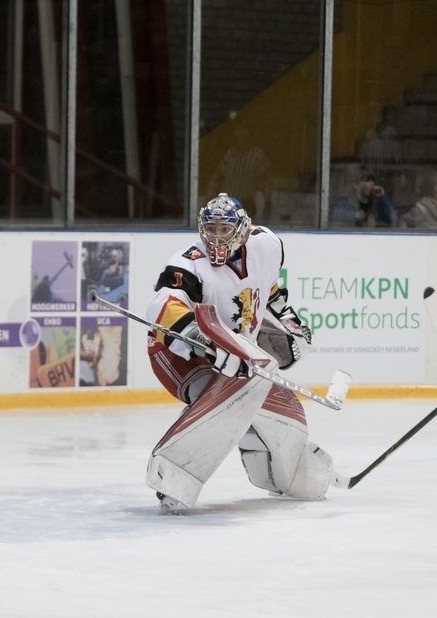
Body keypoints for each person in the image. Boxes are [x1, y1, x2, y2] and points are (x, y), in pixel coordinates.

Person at [144, 192, 331, 512]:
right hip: (177, 352)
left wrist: (289, 322)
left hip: (238, 355)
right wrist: (196, 337)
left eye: (224, 229)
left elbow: (268, 288)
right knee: (228, 398)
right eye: (211, 229)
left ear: (243, 230)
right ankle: (177, 473)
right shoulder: (187, 264)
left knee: (282, 408)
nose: (216, 237)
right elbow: (163, 305)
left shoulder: (267, 246)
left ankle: (285, 474)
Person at [329, 166, 396, 228]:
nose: (372, 183)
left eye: (373, 181)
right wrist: (356, 215)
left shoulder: (376, 201)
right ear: (356, 184)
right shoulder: (346, 201)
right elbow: (335, 214)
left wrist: (382, 197)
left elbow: (392, 219)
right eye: (367, 180)